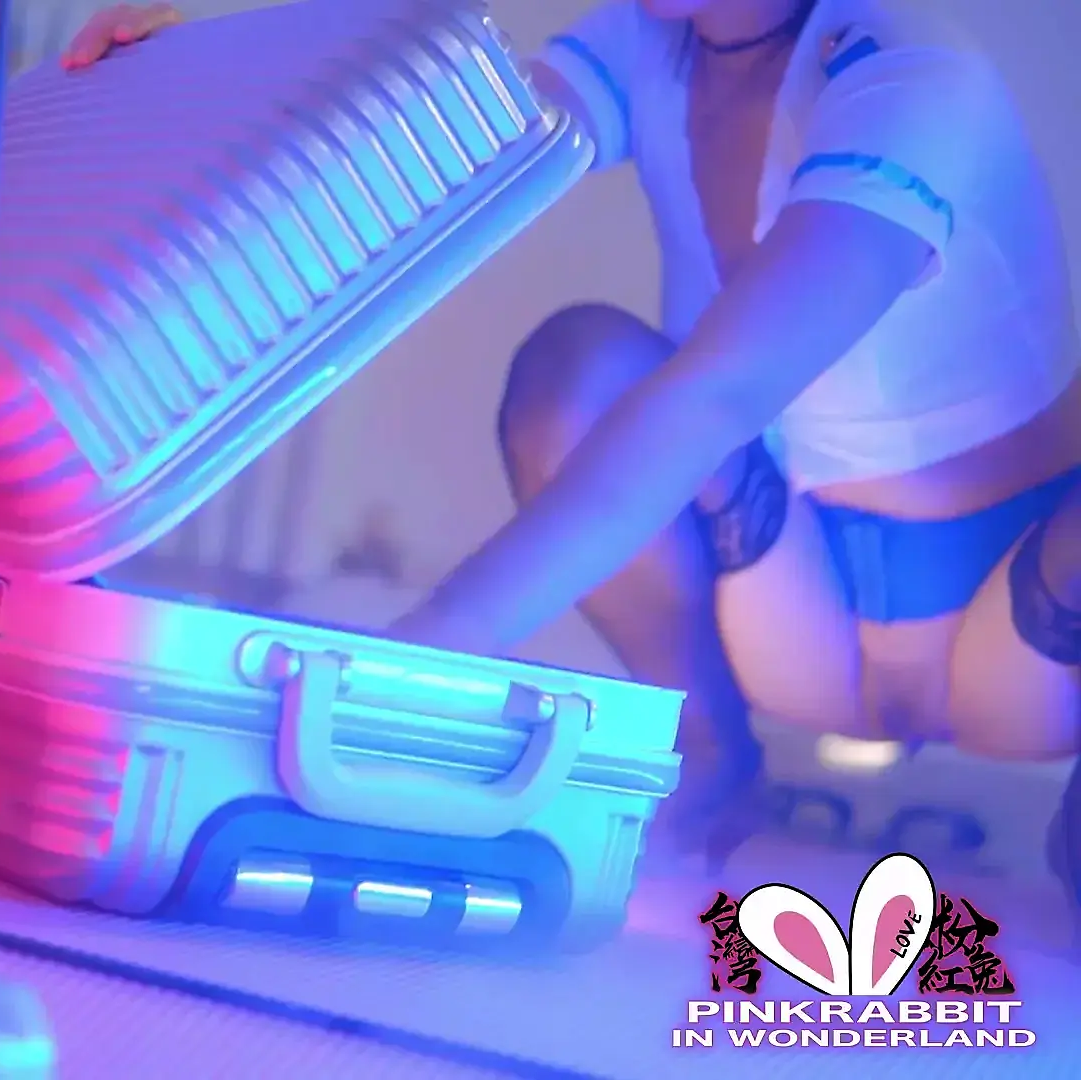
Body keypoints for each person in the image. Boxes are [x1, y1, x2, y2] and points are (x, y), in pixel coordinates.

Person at [56, 0, 1081, 889]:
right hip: (786, 591)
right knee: (578, 369)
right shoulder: (656, 42)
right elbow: (417, 144)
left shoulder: (915, 83)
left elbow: (718, 397)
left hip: (1020, 633)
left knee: (679, 396)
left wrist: (425, 652)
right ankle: (706, 753)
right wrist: (195, 70)